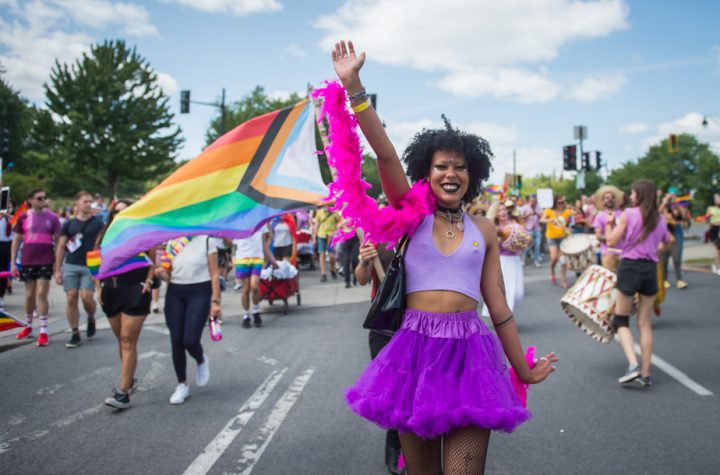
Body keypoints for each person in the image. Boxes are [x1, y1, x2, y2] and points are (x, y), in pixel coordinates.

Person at [332, 40, 557, 474]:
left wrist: (522, 372)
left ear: (472, 176)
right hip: (412, 354)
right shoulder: (409, 217)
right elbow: (384, 154)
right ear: (426, 173)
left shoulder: (486, 230)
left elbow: (500, 309)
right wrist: (355, 87)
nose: (450, 174)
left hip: (472, 357)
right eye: (440, 167)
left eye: (459, 167)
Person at [606, 180, 670, 387]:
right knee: (644, 323)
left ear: (639, 195)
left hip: (630, 268)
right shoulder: (660, 219)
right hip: (650, 270)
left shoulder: (629, 214)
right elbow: (667, 243)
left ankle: (633, 364)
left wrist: (610, 224)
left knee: (621, 321)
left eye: (633, 194)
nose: (631, 197)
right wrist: (651, 248)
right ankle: (646, 373)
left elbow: (610, 242)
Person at [97, 200, 155, 409]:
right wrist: (98, 288)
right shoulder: (105, 236)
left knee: (127, 339)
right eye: (116, 212)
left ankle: (123, 393)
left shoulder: (141, 235)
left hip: (135, 290)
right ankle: (129, 380)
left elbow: (152, 262)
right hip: (111, 291)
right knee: (122, 342)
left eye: (125, 212)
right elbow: (97, 264)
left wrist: (148, 282)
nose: (119, 215)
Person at [354, 240, 403, 475]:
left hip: (420, 321)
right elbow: (361, 278)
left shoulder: (424, 229)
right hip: (384, 324)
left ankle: (422, 444)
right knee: (394, 389)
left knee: (420, 387)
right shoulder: (376, 235)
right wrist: (364, 259)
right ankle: (395, 441)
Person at [155, 235, 221, 404]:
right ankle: (182, 384)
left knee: (190, 340)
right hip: (175, 292)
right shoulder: (172, 241)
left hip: (200, 291)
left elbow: (214, 274)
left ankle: (200, 359)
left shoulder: (207, 240)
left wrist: (215, 302)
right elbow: (169, 276)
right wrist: (163, 274)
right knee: (176, 339)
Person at [54, 191, 104, 348]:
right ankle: (75, 332)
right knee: (71, 296)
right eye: (85, 201)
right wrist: (57, 269)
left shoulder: (98, 224)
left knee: (87, 296)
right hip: (71, 264)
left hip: (89, 266)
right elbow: (61, 246)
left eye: (90, 202)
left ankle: (91, 317)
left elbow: (102, 246)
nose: (89, 204)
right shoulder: (69, 224)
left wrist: (101, 269)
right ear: (77, 204)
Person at [12, 189, 61, 346]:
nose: (43, 200)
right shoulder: (23, 217)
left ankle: (43, 331)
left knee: (41, 294)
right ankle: (27, 325)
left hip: (46, 259)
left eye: (44, 198)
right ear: (30, 200)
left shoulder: (53, 218)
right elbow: (17, 239)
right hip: (27, 259)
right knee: (29, 296)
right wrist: (13, 262)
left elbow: (59, 241)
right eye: (39, 198)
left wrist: (57, 264)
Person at [482, 202, 526, 317]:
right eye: (500, 210)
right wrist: (498, 239)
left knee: (518, 293)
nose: (503, 212)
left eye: (504, 210)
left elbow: (525, 241)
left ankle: (503, 315)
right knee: (503, 292)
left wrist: (523, 241)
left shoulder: (514, 225)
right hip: (501, 261)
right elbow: (487, 245)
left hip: (515, 260)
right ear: (495, 214)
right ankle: (505, 319)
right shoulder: (493, 228)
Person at [233, 229, 271, 328]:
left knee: (254, 286)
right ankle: (246, 316)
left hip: (257, 258)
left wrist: (271, 259)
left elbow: (264, 243)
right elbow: (233, 243)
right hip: (242, 258)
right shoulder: (239, 222)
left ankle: (256, 311)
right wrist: (233, 258)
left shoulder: (261, 223)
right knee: (246, 289)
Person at [540, 195, 573, 288]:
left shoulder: (566, 211)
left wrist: (572, 207)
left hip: (563, 237)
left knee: (563, 260)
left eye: (563, 202)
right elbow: (542, 219)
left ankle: (563, 280)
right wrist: (551, 219)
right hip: (552, 237)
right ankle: (552, 270)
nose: (562, 204)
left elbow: (577, 213)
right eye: (559, 203)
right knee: (554, 258)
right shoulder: (549, 211)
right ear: (555, 203)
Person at [660, 189, 689, 289]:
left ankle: (679, 280)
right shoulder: (663, 205)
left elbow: (684, 216)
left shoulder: (679, 205)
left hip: (677, 231)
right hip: (665, 231)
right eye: (670, 194)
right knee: (664, 258)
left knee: (677, 257)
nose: (672, 196)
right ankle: (664, 279)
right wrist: (665, 201)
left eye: (674, 194)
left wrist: (677, 203)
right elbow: (658, 213)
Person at [592, 186, 624, 273]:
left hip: (623, 253)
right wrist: (612, 238)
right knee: (610, 281)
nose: (610, 199)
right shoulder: (600, 216)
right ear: (603, 201)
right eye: (607, 198)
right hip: (608, 253)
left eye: (612, 197)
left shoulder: (622, 214)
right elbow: (598, 236)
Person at [313, 203, 340, 282]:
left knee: (332, 256)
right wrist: (314, 237)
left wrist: (336, 231)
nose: (326, 206)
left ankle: (332, 269)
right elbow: (316, 225)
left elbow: (339, 222)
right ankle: (323, 274)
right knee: (322, 254)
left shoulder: (335, 212)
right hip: (321, 235)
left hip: (331, 236)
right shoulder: (320, 212)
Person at [520, 194, 542, 267]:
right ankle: (523, 260)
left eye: (534, 201)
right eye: (532, 200)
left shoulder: (539, 207)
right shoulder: (524, 207)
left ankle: (536, 261)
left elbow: (542, 216)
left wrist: (537, 213)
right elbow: (520, 218)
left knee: (537, 245)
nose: (533, 202)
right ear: (529, 200)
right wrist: (528, 215)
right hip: (528, 229)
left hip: (537, 229)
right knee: (527, 246)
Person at [339, 217, 359, 288]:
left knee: (355, 260)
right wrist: (345, 222)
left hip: (355, 238)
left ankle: (355, 278)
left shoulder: (356, 214)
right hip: (345, 237)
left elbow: (361, 225)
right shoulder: (343, 215)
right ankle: (347, 281)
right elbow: (338, 226)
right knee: (346, 260)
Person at [0, 209, 12, 307]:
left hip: (6, 245)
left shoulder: (10, 218)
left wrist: (9, 219)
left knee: (3, 271)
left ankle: (1, 295)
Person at [707, 193, 720, 275]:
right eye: (717, 198)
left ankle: (715, 264)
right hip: (714, 229)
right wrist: (716, 223)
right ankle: (718, 266)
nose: (719, 199)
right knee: (718, 249)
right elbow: (708, 220)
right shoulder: (710, 208)